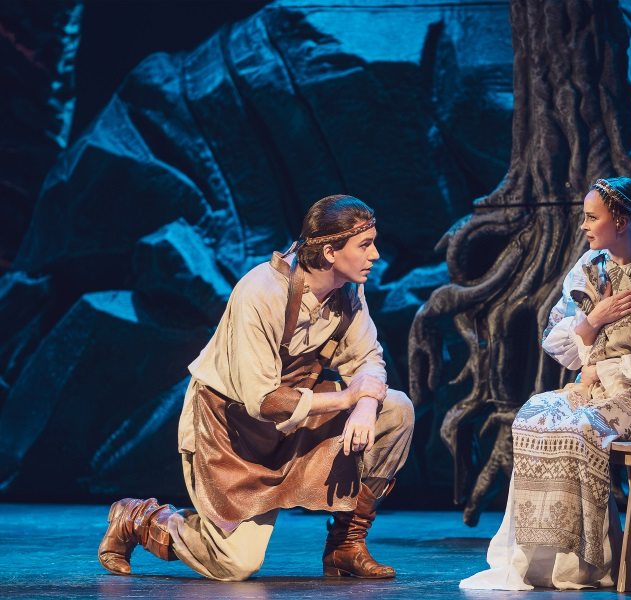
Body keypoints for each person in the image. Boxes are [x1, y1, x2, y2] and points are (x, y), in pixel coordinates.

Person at [98, 194, 414, 581]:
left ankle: (346, 545)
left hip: (296, 418)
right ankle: (140, 519)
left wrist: (364, 404)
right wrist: (349, 396)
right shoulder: (262, 292)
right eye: (365, 245)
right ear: (330, 252)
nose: (375, 255)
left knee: (395, 409)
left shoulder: (348, 290)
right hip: (231, 430)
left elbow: (368, 359)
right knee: (235, 565)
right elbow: (262, 401)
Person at [461, 177, 631, 590]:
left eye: (591, 217)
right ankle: (542, 561)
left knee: (579, 429)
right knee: (533, 416)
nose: (583, 225)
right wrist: (594, 319)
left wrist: (603, 371)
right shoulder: (590, 265)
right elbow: (556, 338)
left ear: (621, 221)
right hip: (598, 389)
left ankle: (586, 560)